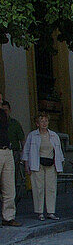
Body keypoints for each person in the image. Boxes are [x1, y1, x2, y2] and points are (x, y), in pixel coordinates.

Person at [21, 112, 64, 221]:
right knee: (38, 188)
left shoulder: (54, 135)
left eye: (46, 121)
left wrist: (60, 164)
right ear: (37, 124)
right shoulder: (32, 135)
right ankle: (40, 212)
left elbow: (59, 151)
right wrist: (27, 165)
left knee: (51, 188)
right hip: (37, 164)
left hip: (50, 164)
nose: (44, 123)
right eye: (42, 121)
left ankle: (50, 211)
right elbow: (26, 151)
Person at [0, 96, 24, 226]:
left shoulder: (4, 115)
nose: (0, 100)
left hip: (8, 150)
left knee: (9, 187)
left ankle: (8, 217)